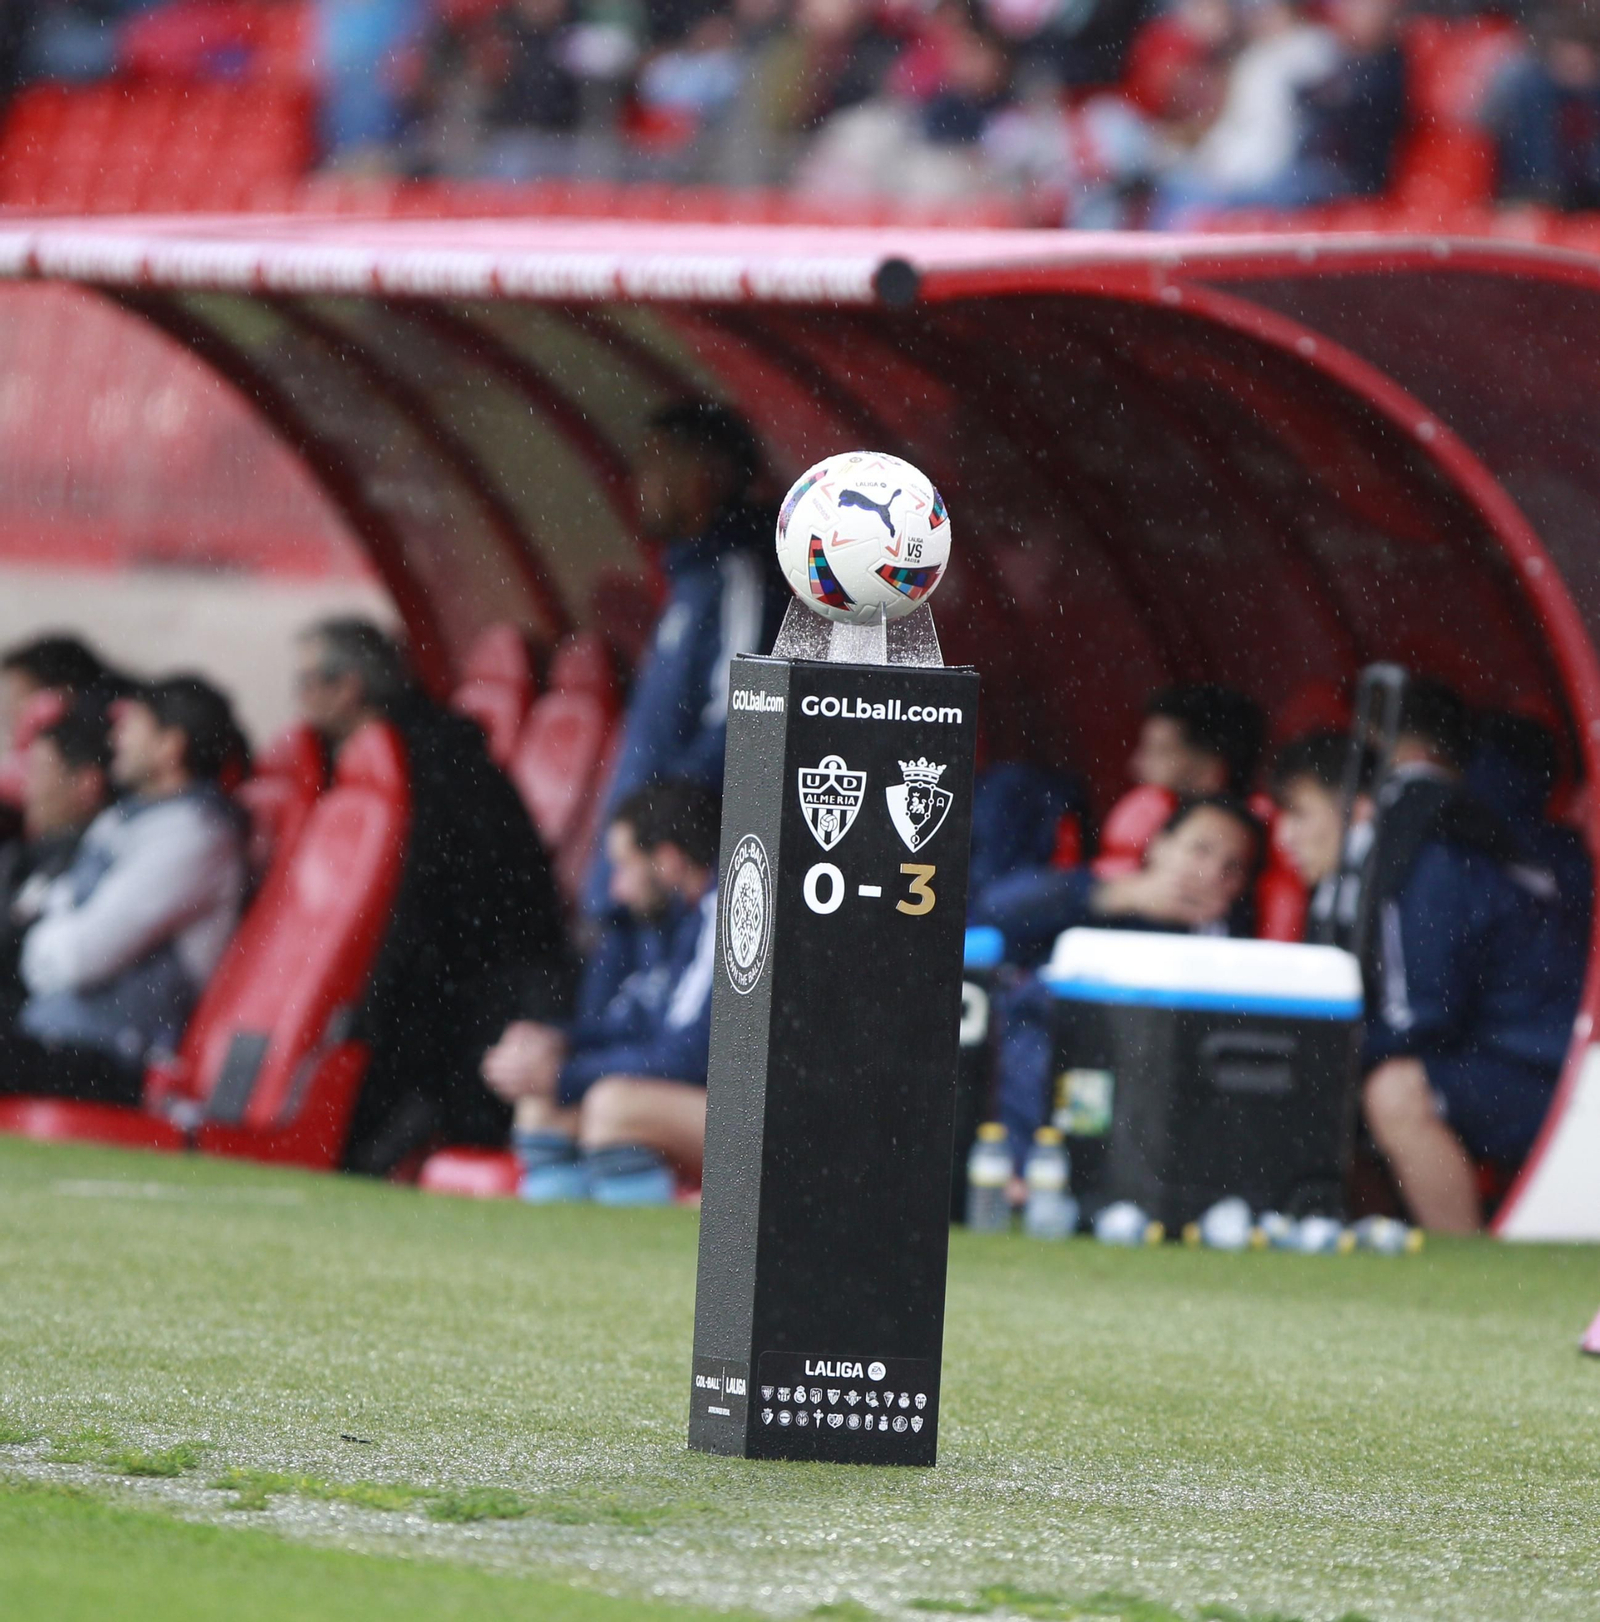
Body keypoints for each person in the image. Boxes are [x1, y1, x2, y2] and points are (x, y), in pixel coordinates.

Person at [1272, 729, 1583, 1233]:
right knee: (1340, 1080)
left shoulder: (1418, 864)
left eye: (1299, 813)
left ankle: (1466, 1268)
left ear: (1361, 808)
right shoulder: (1368, 871)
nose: (1284, 836)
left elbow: (1421, 1016)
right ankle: (1362, 1240)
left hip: (1548, 1072)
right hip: (1494, 1059)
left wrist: (1318, 1054)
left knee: (1392, 1090)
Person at [291, 618, 572, 1173]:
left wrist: (365, 1009)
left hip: (490, 984)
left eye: (306, 682)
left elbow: (422, 908)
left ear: (349, 687)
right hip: (474, 971)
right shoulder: (426, 751)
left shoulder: (424, 767)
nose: (298, 701)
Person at [0, 677, 249, 1104]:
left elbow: (79, 956)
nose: (116, 738)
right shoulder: (130, 818)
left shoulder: (194, 837)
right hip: (52, 1031)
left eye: (132, 727)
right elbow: (57, 914)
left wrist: (39, 942)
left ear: (170, 746)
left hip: (112, 1059)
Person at [988, 796, 1265, 1176]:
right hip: (1060, 1047)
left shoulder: (1236, 942)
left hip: (1155, 1074)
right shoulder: (1095, 891)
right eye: (1200, 849)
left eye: (1232, 867)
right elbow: (993, 910)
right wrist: (1116, 896)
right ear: (1160, 845)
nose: (1213, 872)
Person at [583, 400, 784, 915]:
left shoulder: (738, 579)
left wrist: (659, 824)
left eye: (658, 463)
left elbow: (744, 721)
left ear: (708, 476)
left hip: (668, 877)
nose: (640, 482)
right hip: (634, 874)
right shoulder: (692, 578)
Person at [483, 779, 720, 1205]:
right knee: (541, 1107)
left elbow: (692, 1057)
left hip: (768, 1123)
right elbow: (635, 1025)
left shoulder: (724, 909)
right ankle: (557, 1259)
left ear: (667, 861)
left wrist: (566, 1074)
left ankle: (661, 1243)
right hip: (700, 1102)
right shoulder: (663, 921)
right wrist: (555, 1043)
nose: (617, 889)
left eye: (625, 867)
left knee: (614, 1107)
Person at [0, 700, 114, 1028]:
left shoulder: (93, 860)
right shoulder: (24, 852)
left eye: (39, 772)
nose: (27, 788)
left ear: (86, 784)